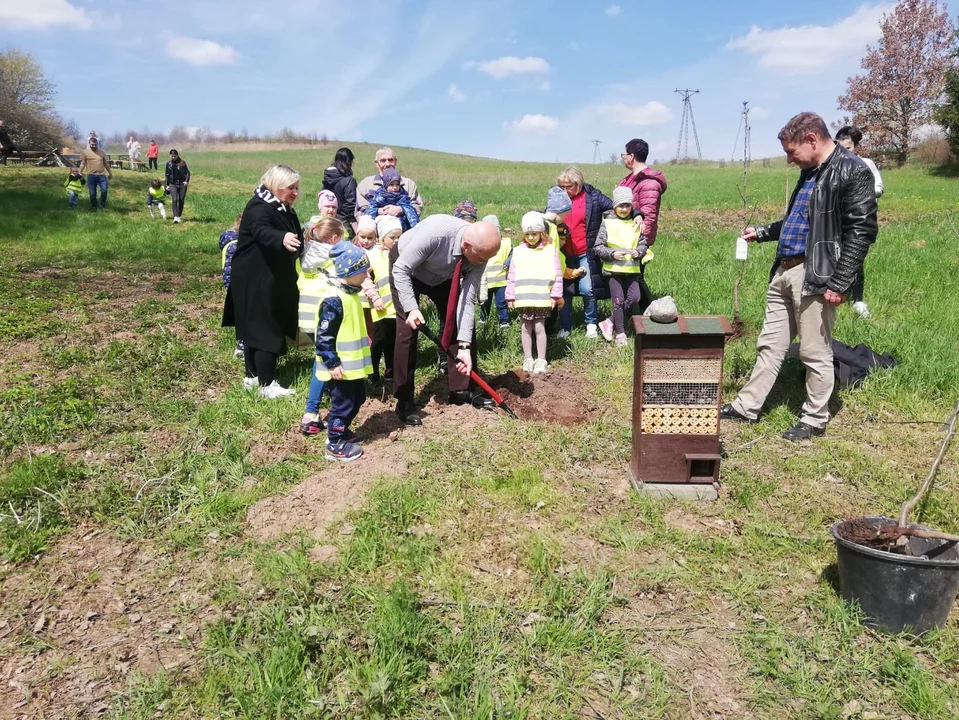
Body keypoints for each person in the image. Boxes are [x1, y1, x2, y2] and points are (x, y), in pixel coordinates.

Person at [720, 112, 878, 441]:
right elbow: (798, 222)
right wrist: (763, 232)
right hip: (784, 270)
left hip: (816, 272)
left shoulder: (852, 170)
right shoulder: (809, 172)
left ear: (811, 139)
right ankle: (746, 407)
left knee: (814, 350)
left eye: (792, 152)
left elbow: (860, 232)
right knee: (769, 345)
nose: (790, 160)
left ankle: (815, 419)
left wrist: (840, 280)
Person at [389, 215, 503, 426]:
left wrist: (465, 347)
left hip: (442, 275)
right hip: (407, 270)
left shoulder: (479, 254)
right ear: (466, 245)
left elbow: (467, 301)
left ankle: (461, 390)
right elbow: (401, 269)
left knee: (456, 321)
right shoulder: (436, 234)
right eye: (481, 258)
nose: (483, 263)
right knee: (407, 329)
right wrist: (412, 309)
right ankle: (404, 400)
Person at [222, 164, 304, 398]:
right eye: (291, 187)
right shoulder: (259, 206)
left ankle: (252, 377)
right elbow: (261, 231)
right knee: (264, 328)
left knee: (255, 326)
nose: (295, 192)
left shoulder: (283, 207)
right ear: (276, 186)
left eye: (297, 188)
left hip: (267, 276)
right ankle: (267, 384)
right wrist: (281, 237)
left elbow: (293, 235)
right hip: (255, 277)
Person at [317, 241, 374, 462]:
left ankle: (342, 431)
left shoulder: (350, 293)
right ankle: (333, 442)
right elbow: (324, 336)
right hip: (341, 368)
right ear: (349, 272)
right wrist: (331, 363)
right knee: (344, 403)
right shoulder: (334, 300)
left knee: (358, 398)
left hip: (353, 367)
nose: (367, 274)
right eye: (363, 271)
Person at [298, 217, 347, 436]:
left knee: (321, 356)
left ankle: (327, 394)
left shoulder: (307, 252)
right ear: (335, 238)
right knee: (323, 362)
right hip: (324, 313)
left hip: (307, 313)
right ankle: (311, 413)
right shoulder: (332, 257)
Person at [555, 167, 614, 339]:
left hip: (585, 254)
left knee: (588, 289)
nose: (565, 191)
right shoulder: (557, 199)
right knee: (564, 292)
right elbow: (546, 217)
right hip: (563, 255)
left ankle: (591, 324)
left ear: (578, 184)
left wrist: (637, 214)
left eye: (569, 187)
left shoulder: (593, 197)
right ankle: (565, 328)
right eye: (561, 187)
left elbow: (614, 207)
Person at [835, 125, 884, 320]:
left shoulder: (866, 163)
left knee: (855, 257)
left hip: (858, 218)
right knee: (833, 255)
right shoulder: (833, 166)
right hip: (836, 219)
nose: (845, 152)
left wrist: (860, 194)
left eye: (849, 148)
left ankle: (858, 300)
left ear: (855, 146)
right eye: (841, 147)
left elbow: (879, 187)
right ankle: (834, 294)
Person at [506, 212, 563, 374]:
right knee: (525, 328)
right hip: (523, 299)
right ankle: (528, 357)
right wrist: (510, 296)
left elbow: (557, 275)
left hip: (541, 298)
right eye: (528, 234)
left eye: (534, 234)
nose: (531, 237)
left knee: (539, 328)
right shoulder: (517, 251)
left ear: (541, 233)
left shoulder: (550, 250)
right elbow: (512, 276)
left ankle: (541, 359)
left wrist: (555, 296)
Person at [594, 187, 651, 346]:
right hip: (613, 270)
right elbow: (598, 246)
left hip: (632, 269)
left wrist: (638, 252)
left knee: (635, 298)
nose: (624, 209)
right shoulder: (607, 223)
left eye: (627, 205)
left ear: (632, 206)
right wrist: (612, 253)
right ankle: (621, 333)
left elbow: (643, 243)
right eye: (621, 206)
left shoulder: (636, 222)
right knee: (618, 301)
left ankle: (609, 321)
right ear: (614, 206)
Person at [365, 215, 401, 384]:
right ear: (381, 238)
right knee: (378, 340)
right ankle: (372, 373)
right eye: (392, 237)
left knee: (392, 341)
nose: (396, 240)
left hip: (396, 308)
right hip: (380, 307)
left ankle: (390, 370)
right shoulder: (374, 256)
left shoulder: (401, 255)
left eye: (399, 237)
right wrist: (375, 298)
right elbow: (367, 279)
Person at [618, 139, 667, 246]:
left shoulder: (649, 183)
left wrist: (641, 244)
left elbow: (648, 216)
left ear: (631, 156)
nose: (623, 158)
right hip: (624, 236)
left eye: (624, 155)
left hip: (635, 241)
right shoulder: (629, 178)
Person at [355, 147, 423, 219]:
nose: (387, 164)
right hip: (373, 226)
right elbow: (360, 211)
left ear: (396, 161)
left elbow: (417, 207)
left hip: (404, 226)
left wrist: (401, 209)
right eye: (383, 160)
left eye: (390, 160)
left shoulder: (409, 184)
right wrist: (379, 211)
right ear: (377, 163)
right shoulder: (365, 184)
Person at [479, 214, 512, 327]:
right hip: (487, 281)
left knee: (501, 303)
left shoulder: (506, 243)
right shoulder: (482, 244)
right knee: (484, 302)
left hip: (501, 281)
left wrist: (508, 262)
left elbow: (512, 254)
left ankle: (504, 321)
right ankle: (483, 319)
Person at [219, 213, 244, 359]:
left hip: (230, 284)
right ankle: (241, 347)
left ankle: (242, 345)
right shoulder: (238, 245)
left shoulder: (228, 240)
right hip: (240, 285)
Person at [322, 147, 358, 237]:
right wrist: (356, 229)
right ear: (349, 161)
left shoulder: (327, 179)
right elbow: (350, 207)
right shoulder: (349, 181)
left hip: (327, 221)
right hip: (344, 225)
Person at [78, 137, 112, 210]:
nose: (94, 146)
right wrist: (79, 172)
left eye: (95, 144)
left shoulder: (102, 152)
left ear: (97, 144)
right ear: (89, 144)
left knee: (104, 190)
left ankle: (102, 205)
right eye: (92, 144)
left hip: (101, 175)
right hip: (91, 176)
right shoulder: (85, 152)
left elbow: (105, 163)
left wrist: (110, 173)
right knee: (92, 193)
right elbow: (83, 163)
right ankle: (94, 206)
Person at [165, 149, 190, 223]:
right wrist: (167, 185)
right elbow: (167, 175)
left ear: (177, 155)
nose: (173, 157)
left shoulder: (182, 163)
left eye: (174, 156)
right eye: (172, 156)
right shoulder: (168, 164)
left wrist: (186, 181)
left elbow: (188, 173)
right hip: (173, 184)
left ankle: (179, 215)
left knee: (181, 200)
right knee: (175, 200)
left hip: (182, 184)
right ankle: (175, 217)